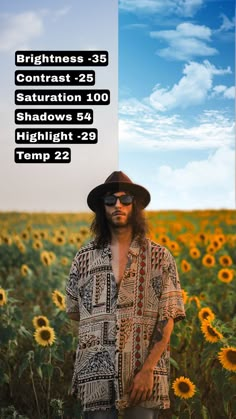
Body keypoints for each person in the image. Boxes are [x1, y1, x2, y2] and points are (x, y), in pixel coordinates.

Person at [66, 171, 186, 419]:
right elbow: (74, 311)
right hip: (95, 375)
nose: (117, 205)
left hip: (143, 372)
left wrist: (148, 369)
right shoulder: (84, 257)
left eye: (125, 199)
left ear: (136, 205)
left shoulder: (159, 257)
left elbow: (169, 316)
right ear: (102, 207)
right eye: (110, 200)